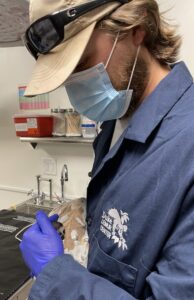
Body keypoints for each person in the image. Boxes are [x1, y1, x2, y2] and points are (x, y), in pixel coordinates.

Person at [20, 0, 194, 299]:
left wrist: (55, 274)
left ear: (135, 29)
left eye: (83, 63)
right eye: (66, 75)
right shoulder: (116, 119)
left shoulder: (186, 145)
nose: (75, 85)